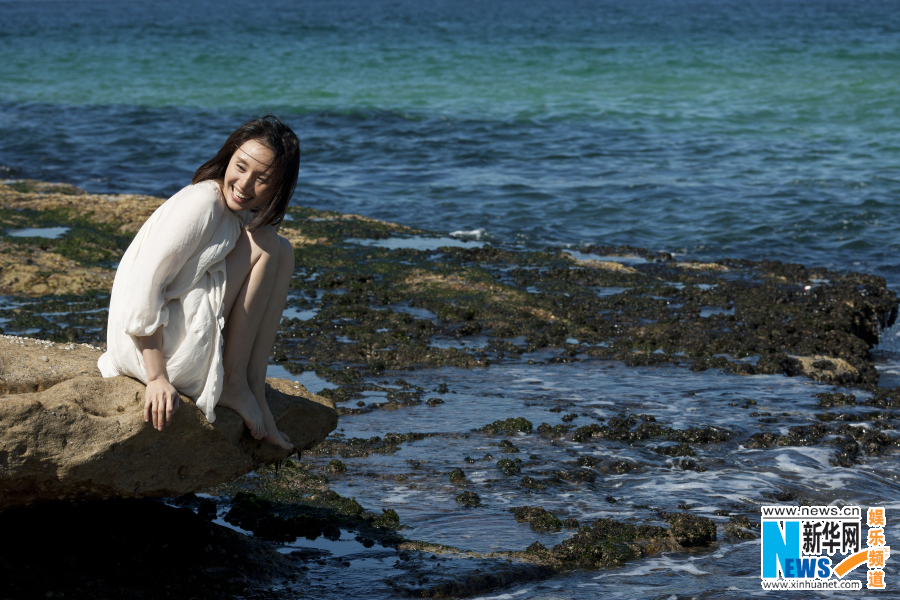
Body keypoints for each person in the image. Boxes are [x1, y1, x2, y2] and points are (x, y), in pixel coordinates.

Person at [98, 114, 300, 450]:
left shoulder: (232, 213)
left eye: (262, 178)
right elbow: (141, 289)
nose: (245, 184)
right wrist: (157, 378)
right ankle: (234, 384)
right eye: (240, 167)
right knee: (265, 243)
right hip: (150, 350)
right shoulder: (203, 202)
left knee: (282, 249)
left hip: (165, 336)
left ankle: (252, 385)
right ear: (229, 156)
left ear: (278, 186)